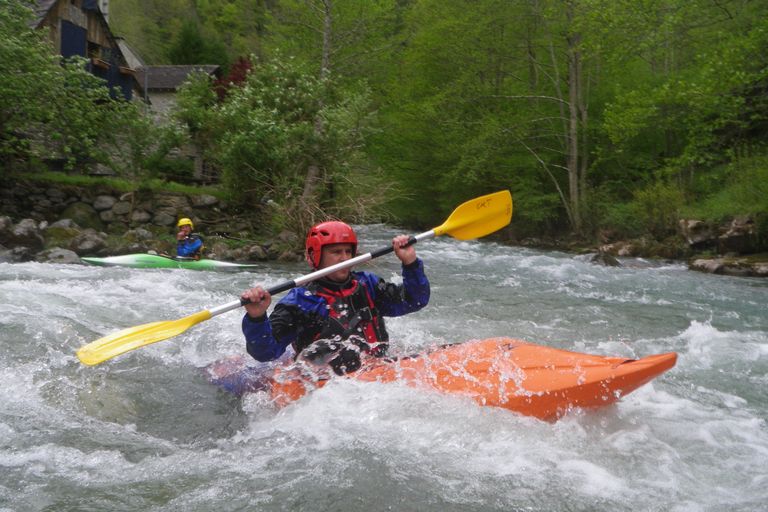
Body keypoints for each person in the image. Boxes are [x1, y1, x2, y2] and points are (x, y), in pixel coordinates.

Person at [241, 221, 430, 375]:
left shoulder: (368, 285)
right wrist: (256, 318)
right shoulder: (300, 301)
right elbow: (266, 353)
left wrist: (410, 263)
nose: (344, 258)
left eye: (348, 252)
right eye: (336, 252)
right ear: (315, 257)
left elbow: (415, 300)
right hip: (326, 383)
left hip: (377, 368)